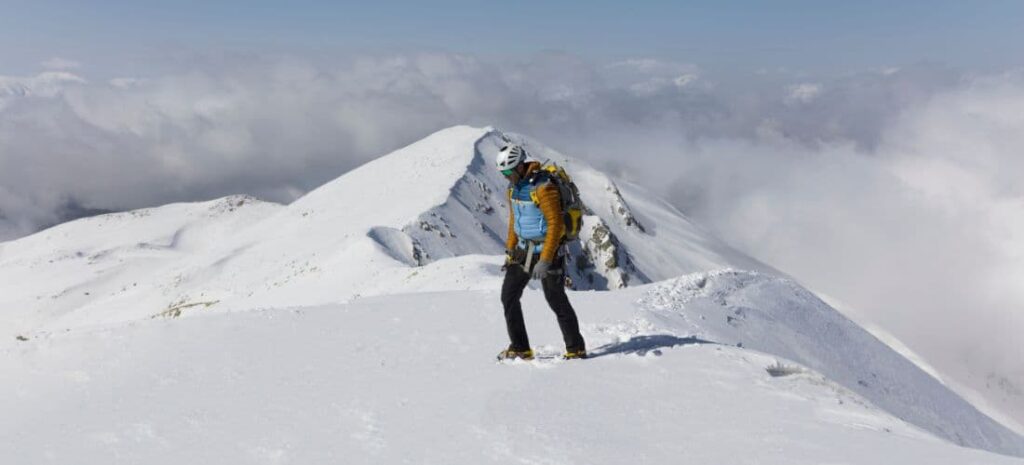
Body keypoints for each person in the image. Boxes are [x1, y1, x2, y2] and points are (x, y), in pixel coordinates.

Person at [495, 144, 587, 361]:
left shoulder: (544, 188)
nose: (506, 177)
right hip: (521, 251)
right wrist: (510, 249)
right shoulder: (513, 189)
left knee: (555, 299)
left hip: (548, 252)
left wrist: (545, 259)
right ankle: (520, 348)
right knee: (508, 297)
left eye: (509, 172)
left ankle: (576, 349)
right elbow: (514, 220)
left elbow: (555, 224)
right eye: (503, 173)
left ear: (519, 166)